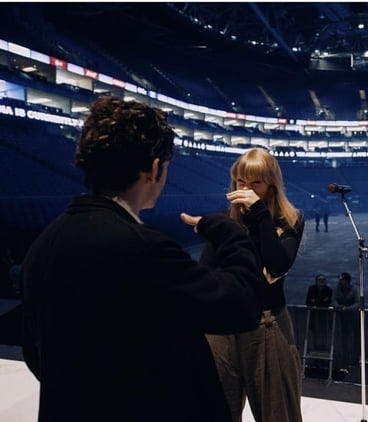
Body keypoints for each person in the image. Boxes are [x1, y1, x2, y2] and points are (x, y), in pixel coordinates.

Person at [20, 96, 264, 422]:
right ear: (153, 169)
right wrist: (230, 230)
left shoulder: (45, 243)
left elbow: (35, 353)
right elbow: (242, 304)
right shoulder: (141, 248)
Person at [201, 148, 305, 422]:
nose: (245, 189)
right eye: (240, 182)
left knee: (278, 411)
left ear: (271, 184)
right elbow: (207, 273)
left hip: (266, 324)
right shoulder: (225, 220)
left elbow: (277, 266)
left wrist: (259, 212)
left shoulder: (289, 220)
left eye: (255, 182)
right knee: (217, 409)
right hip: (222, 327)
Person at [333, 272, 358, 374]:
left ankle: (353, 361)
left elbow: (358, 303)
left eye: (342, 280)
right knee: (341, 341)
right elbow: (333, 300)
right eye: (340, 280)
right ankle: (341, 362)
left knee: (353, 340)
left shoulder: (355, 289)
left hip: (353, 319)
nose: (340, 282)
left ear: (347, 281)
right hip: (341, 318)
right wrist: (339, 307)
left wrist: (347, 309)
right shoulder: (337, 289)